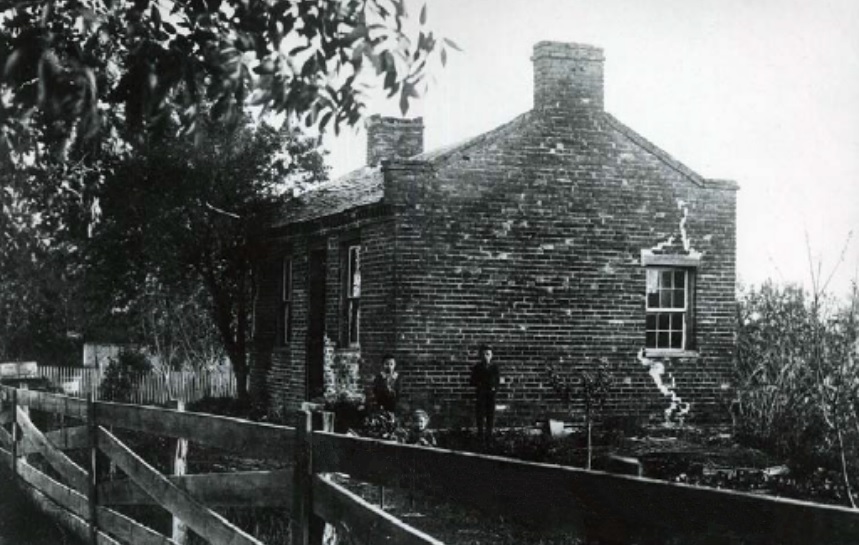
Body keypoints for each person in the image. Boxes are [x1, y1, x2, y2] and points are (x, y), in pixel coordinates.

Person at [469, 343, 500, 443]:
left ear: (491, 355)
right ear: (480, 356)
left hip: (491, 394)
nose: (485, 356)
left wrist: (494, 388)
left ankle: (489, 434)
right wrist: (479, 384)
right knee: (480, 414)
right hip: (481, 394)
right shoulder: (477, 367)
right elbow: (472, 381)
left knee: (490, 414)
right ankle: (480, 434)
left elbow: (497, 381)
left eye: (488, 354)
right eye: (483, 354)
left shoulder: (494, 367)